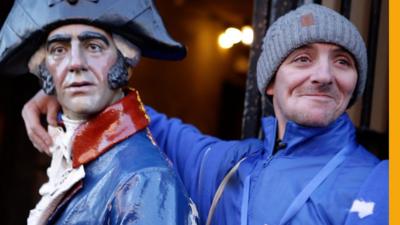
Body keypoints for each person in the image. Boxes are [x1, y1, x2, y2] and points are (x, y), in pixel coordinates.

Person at [19, 3, 388, 225]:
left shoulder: (381, 183)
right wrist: (64, 89)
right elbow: (136, 116)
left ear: (354, 83)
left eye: (342, 62)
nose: (323, 75)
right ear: (271, 82)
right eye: (302, 59)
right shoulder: (226, 165)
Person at [0, 0, 198, 225]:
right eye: (58, 50)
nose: (75, 63)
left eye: (93, 46)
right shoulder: (76, 162)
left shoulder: (145, 179)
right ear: (45, 70)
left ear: (123, 62)